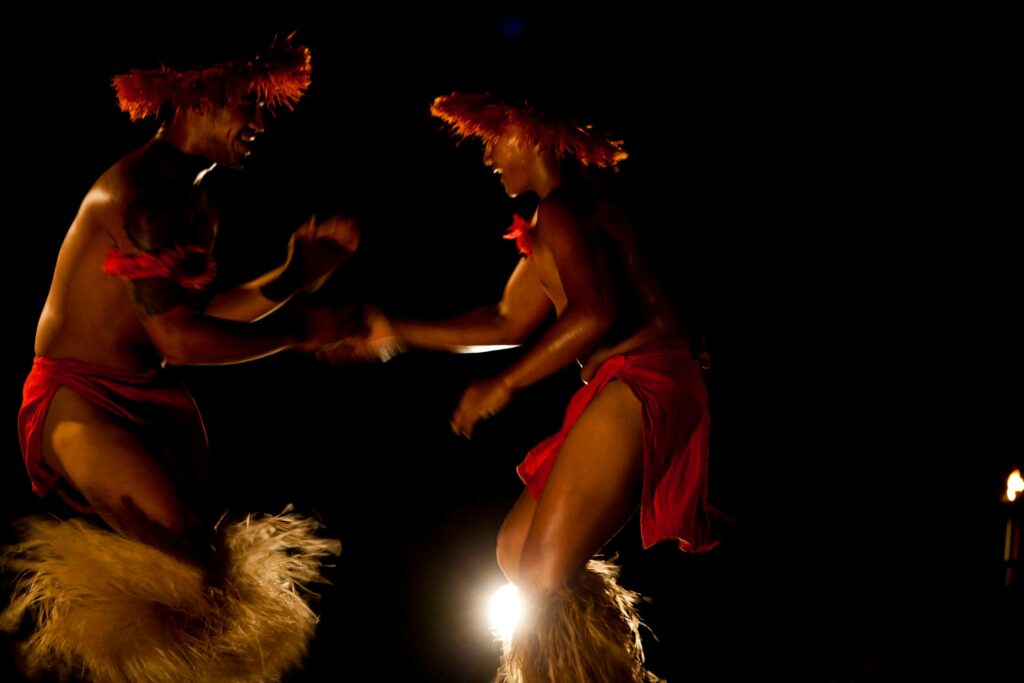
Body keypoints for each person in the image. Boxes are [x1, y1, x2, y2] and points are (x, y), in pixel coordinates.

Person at [328, 92, 724, 682]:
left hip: (648, 374)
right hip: (624, 378)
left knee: (540, 569)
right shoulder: (551, 218)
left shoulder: (567, 207)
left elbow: (593, 315)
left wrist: (504, 386)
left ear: (530, 132)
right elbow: (507, 320)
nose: (488, 157)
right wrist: (396, 333)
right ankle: (582, 668)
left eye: (493, 139)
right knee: (516, 553)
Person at [3, 36, 357, 682]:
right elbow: (182, 342)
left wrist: (292, 277)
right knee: (184, 573)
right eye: (247, 106)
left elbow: (202, 313)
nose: (258, 123)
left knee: (199, 576)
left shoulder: (199, 196)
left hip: (147, 396)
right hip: (77, 400)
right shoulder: (139, 195)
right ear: (199, 99)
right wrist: (301, 330)